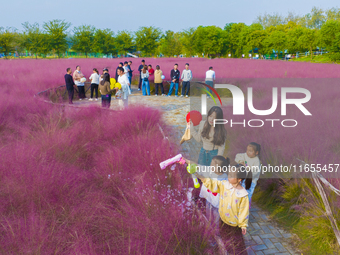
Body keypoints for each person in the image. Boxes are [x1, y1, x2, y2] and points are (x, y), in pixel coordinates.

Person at [195, 164, 251, 254]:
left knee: (237, 245)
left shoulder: (242, 195)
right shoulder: (224, 185)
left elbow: (244, 211)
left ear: (239, 179)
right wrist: (202, 178)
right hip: (223, 221)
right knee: (225, 240)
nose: (229, 176)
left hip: (234, 226)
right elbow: (213, 184)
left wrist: (243, 224)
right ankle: (226, 251)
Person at [188, 106, 227, 203]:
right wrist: (191, 128)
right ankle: (197, 198)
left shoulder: (221, 131)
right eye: (210, 116)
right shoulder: (203, 124)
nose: (211, 119)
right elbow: (198, 139)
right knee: (199, 175)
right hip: (203, 153)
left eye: (215, 118)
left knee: (210, 178)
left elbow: (221, 148)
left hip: (213, 156)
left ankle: (208, 200)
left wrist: (217, 162)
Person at [235, 142, 261, 208]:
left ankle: (246, 207)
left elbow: (255, 172)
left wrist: (247, 170)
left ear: (256, 152)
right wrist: (241, 161)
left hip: (251, 181)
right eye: (247, 150)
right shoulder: (245, 155)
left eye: (251, 151)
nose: (248, 152)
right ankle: (239, 205)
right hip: (243, 179)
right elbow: (238, 156)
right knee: (240, 191)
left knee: (247, 194)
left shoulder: (256, 161)